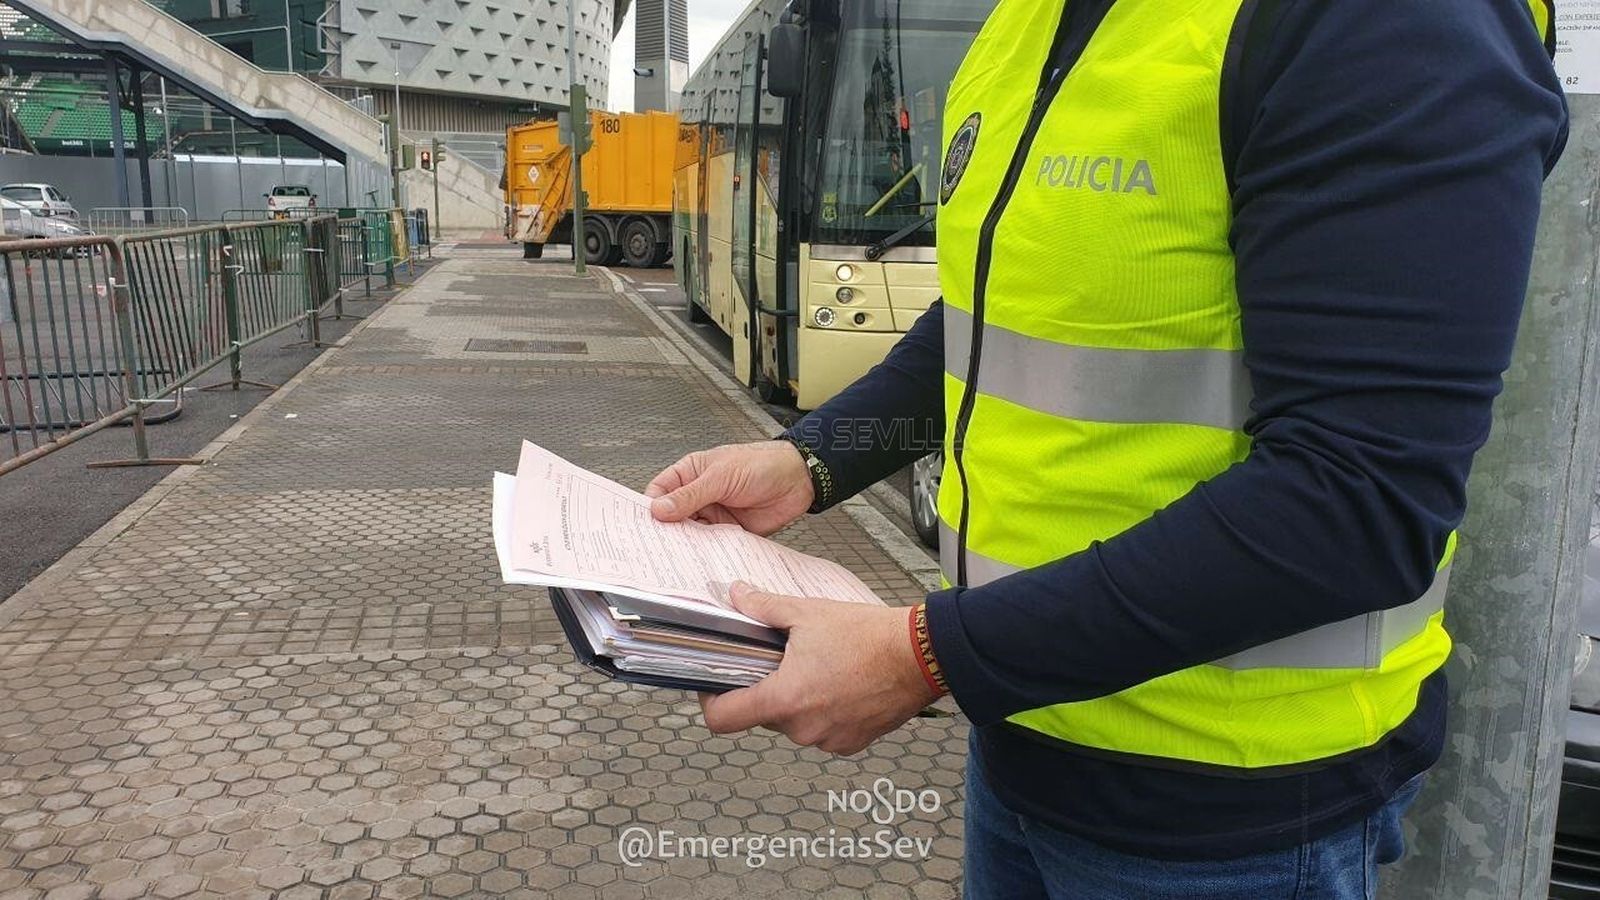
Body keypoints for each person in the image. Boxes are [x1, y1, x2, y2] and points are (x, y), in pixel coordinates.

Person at [644, 0, 1568, 896]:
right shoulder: (1028, 21)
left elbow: (1359, 499)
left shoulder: (1388, 22)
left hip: (1231, 817)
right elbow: (992, 313)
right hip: (1021, 733)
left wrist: (921, 656)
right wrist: (812, 460)